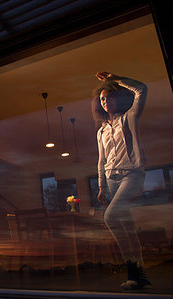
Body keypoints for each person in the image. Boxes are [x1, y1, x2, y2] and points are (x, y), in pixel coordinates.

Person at [92, 72, 151, 290]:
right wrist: (100, 187)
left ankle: (135, 270)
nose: (106, 101)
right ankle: (137, 276)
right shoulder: (101, 132)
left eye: (110, 97)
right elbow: (101, 161)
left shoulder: (130, 117)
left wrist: (116, 78)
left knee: (111, 216)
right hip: (110, 180)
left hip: (132, 175)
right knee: (127, 228)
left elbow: (142, 88)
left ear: (119, 98)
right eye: (103, 99)